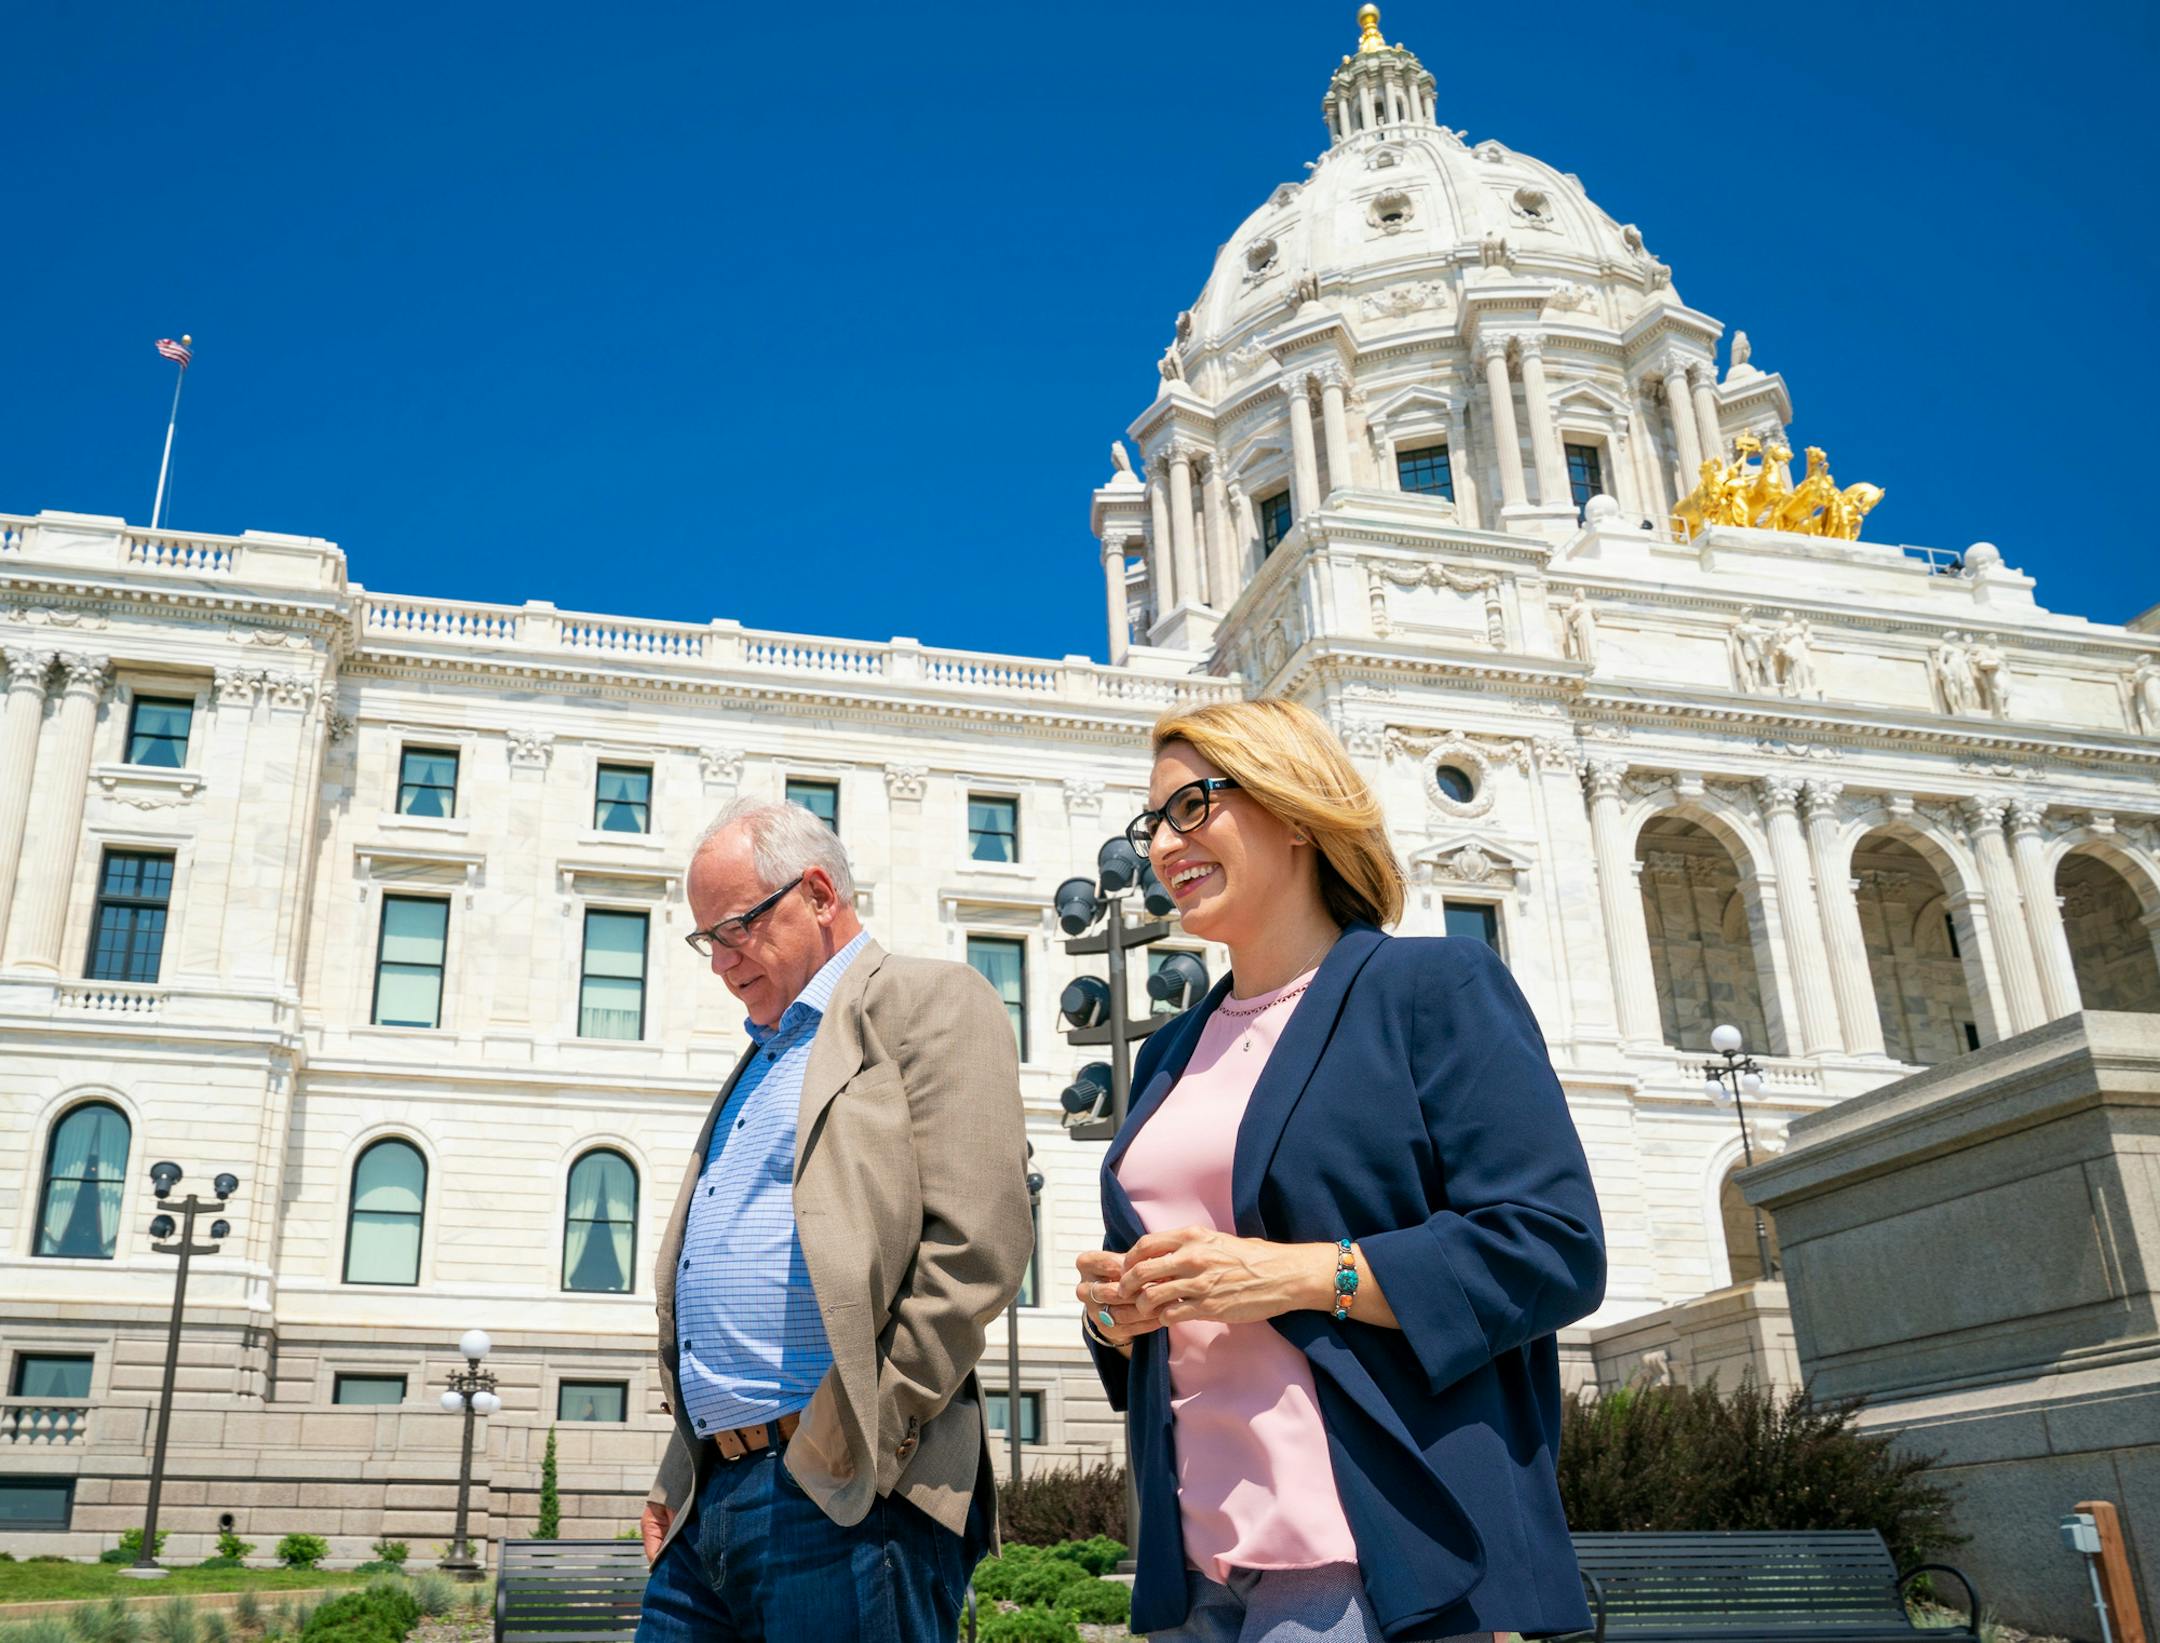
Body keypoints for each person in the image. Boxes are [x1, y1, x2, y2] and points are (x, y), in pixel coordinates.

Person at [1076, 698, 1605, 1642]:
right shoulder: (1169, 1054)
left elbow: (1553, 1247)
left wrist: (1299, 1271)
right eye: (1150, 823)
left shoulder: (1430, 987)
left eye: (1190, 807)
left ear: (1292, 810)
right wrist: (1120, 1313)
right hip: (1196, 1550)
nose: (1161, 845)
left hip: (1368, 1544)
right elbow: (1181, 1306)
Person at [637, 796, 1032, 1643]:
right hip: (714, 1499)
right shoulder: (764, 1053)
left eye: (736, 927)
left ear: (817, 892)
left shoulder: (930, 1001)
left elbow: (977, 1247)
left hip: (843, 1496)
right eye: (707, 939)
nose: (721, 961)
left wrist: (858, 1438)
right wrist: (682, 1470)